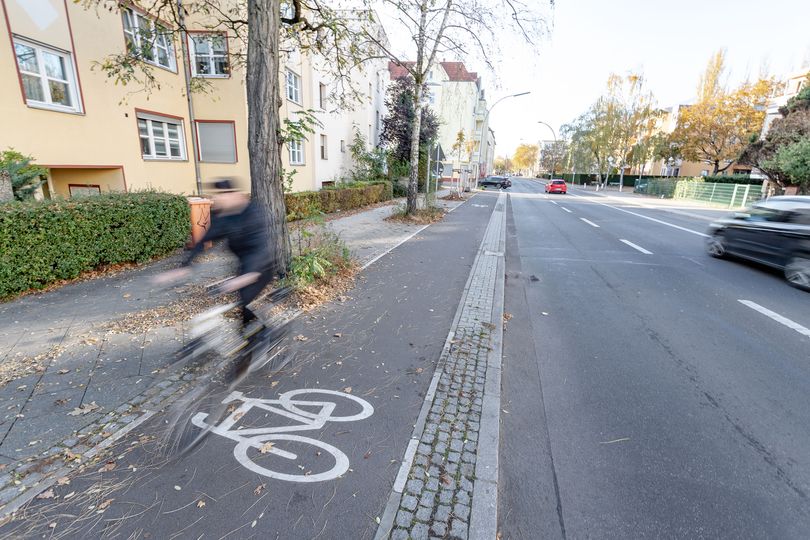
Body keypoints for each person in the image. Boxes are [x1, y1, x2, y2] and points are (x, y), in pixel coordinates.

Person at [156, 179, 280, 376]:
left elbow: (261, 247)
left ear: (234, 195)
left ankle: (262, 339)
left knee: (245, 304)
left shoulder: (253, 213)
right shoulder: (223, 216)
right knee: (240, 305)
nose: (215, 200)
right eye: (214, 197)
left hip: (261, 267)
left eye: (220, 196)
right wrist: (184, 267)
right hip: (242, 267)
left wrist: (249, 274)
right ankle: (245, 341)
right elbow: (203, 241)